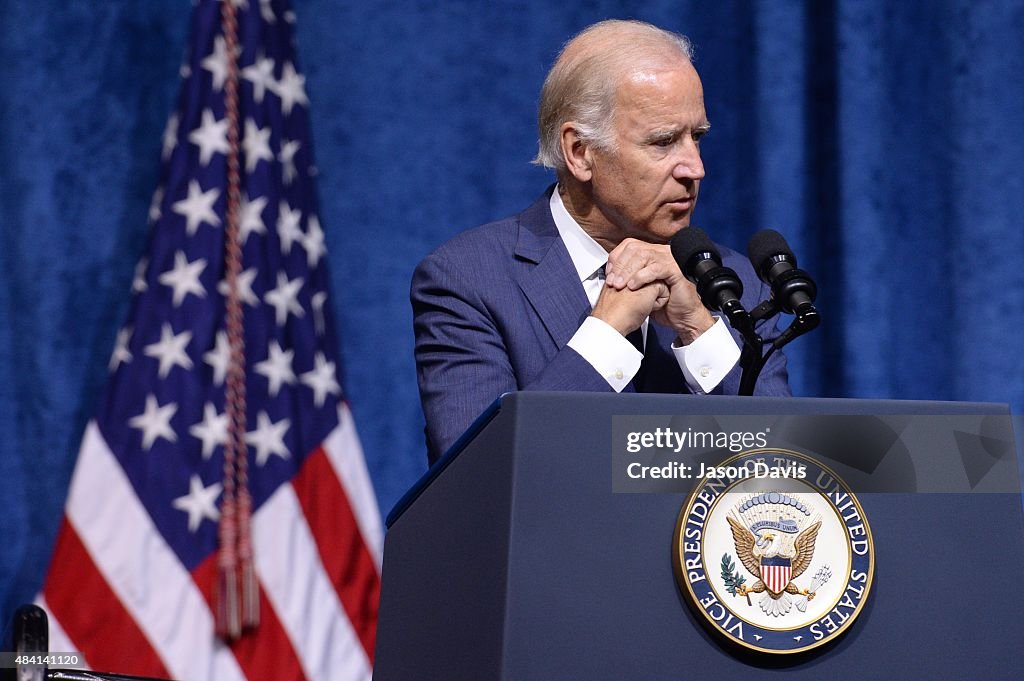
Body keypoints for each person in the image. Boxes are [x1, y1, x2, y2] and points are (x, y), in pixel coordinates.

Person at [412, 19, 790, 464]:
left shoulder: (736, 282)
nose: (694, 168)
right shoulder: (469, 280)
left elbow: (784, 468)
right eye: (664, 141)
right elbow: (477, 474)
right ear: (579, 152)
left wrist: (700, 329)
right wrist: (606, 334)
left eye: (697, 138)